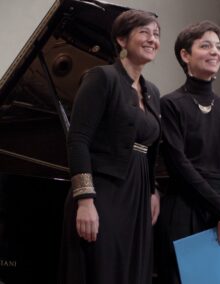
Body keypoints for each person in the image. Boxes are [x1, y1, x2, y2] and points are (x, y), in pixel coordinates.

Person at [58, 9, 161, 284]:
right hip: (104, 193)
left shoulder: (153, 91)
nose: (152, 39)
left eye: (156, 34)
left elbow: (149, 150)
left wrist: (153, 191)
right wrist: (85, 200)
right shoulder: (101, 77)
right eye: (144, 32)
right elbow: (78, 139)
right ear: (121, 40)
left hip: (138, 197)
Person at [157, 21, 220, 283]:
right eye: (205, 45)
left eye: (218, 47)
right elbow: (178, 163)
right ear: (185, 55)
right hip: (186, 208)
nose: (215, 52)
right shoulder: (171, 104)